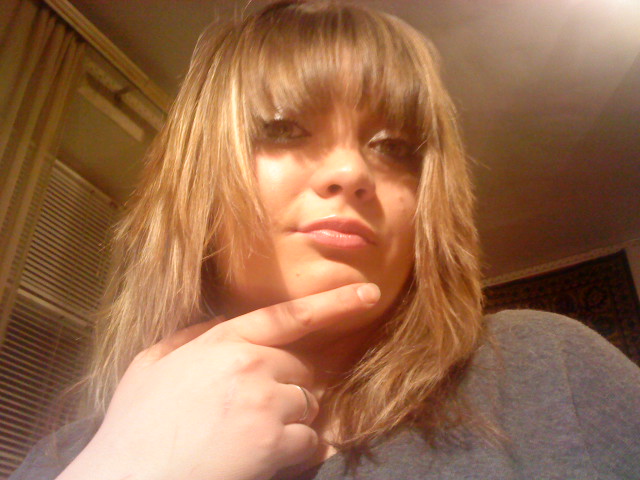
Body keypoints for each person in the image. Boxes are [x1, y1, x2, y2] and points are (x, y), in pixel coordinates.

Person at [10, 1, 640, 479]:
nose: (352, 172)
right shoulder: (73, 459)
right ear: (198, 178)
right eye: (284, 130)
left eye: (394, 147)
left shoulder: (547, 372)